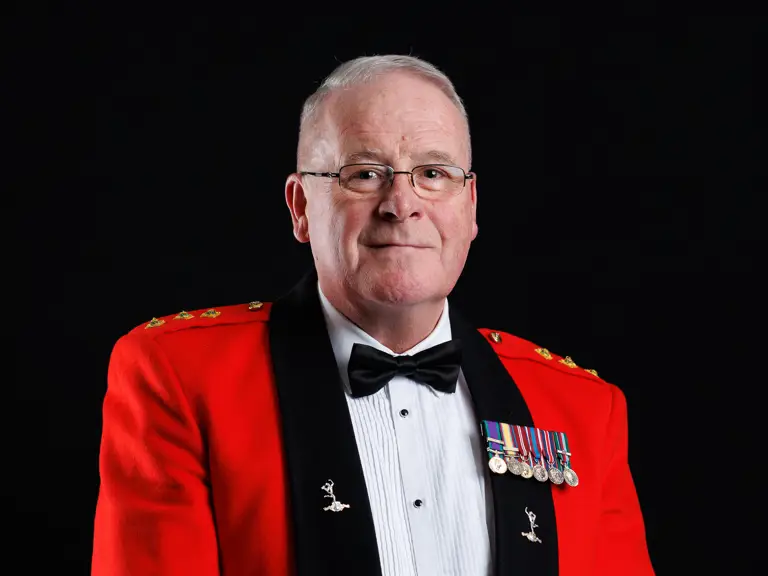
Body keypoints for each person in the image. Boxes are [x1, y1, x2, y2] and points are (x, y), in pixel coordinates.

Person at [92, 55, 654, 576]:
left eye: (434, 173)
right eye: (363, 174)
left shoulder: (582, 407)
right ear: (300, 207)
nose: (402, 203)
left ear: (471, 206)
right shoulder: (182, 376)